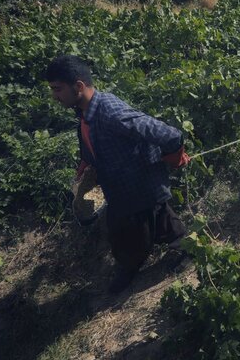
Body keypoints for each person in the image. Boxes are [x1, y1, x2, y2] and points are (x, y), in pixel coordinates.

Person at [46, 55, 190, 294]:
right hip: (121, 188)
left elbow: (169, 134)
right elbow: (91, 142)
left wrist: (174, 156)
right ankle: (132, 265)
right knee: (138, 229)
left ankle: (176, 254)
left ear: (78, 86)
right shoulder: (85, 112)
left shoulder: (110, 112)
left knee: (147, 227)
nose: (55, 96)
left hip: (140, 187)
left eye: (58, 89)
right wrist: (85, 166)